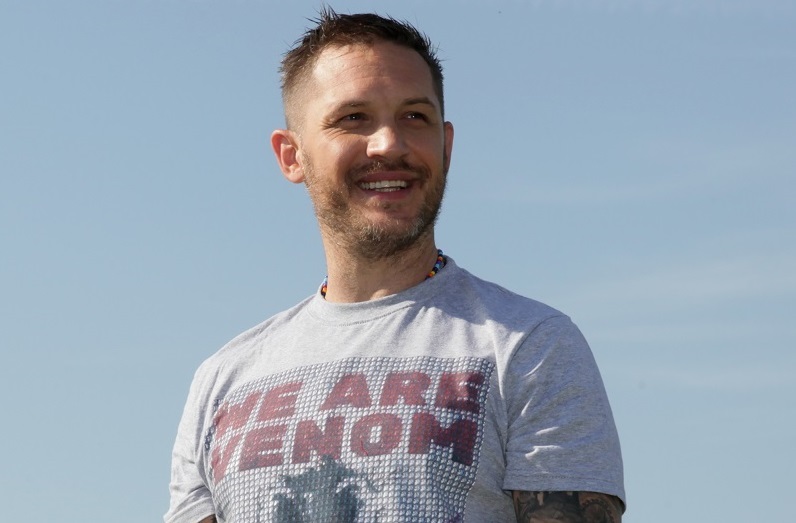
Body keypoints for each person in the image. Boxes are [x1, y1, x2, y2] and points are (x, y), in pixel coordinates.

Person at [165, 8, 625, 523]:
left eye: (414, 117)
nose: (389, 144)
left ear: (446, 145)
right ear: (291, 155)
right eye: (353, 118)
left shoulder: (530, 347)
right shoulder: (222, 381)